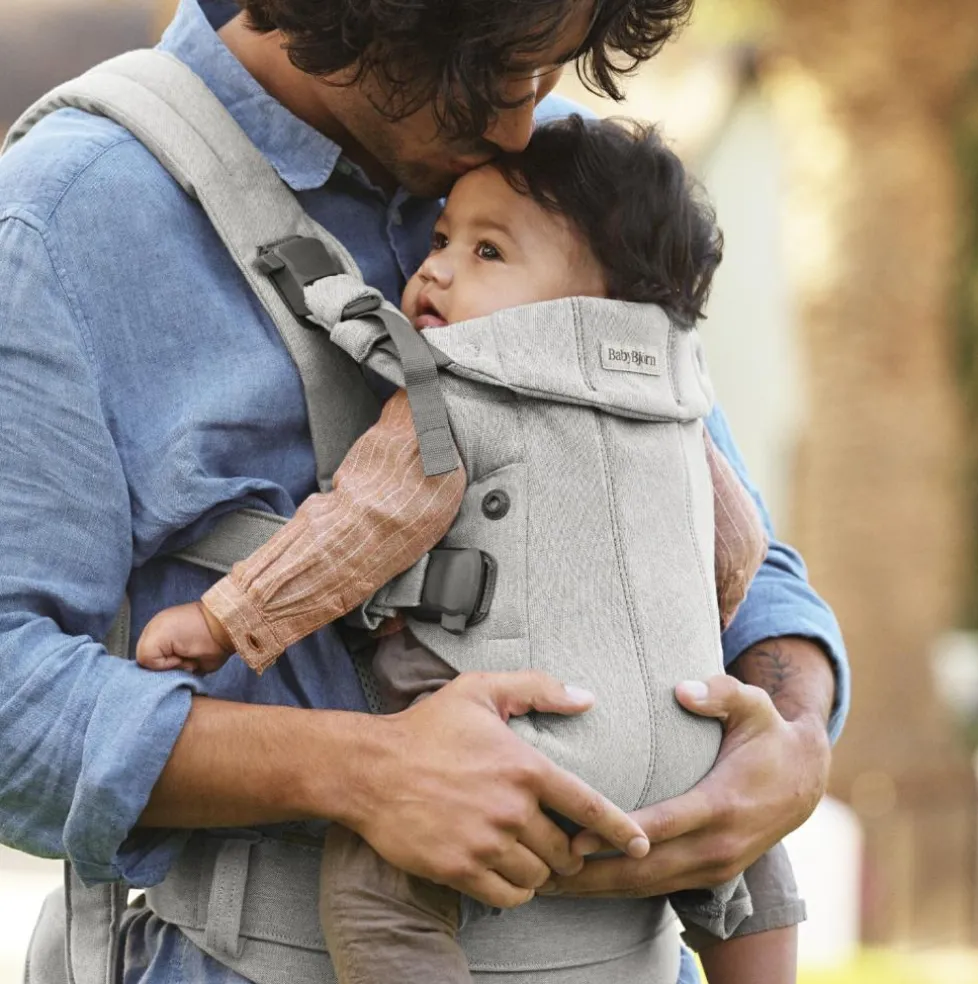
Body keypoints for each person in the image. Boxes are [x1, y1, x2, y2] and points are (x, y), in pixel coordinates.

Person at [0, 2, 847, 983]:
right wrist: (361, 772)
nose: (521, 125)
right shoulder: (66, 215)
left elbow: (724, 542)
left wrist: (791, 737)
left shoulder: (570, 179)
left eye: (547, 72)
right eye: (491, 71)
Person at [136, 115, 791, 984]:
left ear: (599, 298)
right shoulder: (679, 411)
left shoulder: (455, 392)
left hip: (519, 749)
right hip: (686, 741)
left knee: (377, 889)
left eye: (488, 252)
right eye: (443, 238)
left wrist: (226, 619)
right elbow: (739, 546)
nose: (436, 268)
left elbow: (360, 525)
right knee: (749, 860)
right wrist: (673, 649)